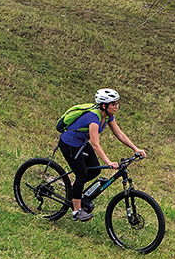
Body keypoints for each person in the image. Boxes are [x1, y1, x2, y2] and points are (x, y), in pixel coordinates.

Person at [57, 88, 146, 220]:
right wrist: (108, 162)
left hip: (81, 142)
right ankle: (76, 211)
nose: (116, 107)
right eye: (113, 104)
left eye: (117, 104)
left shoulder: (108, 116)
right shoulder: (93, 119)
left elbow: (119, 133)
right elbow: (95, 144)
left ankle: (73, 190)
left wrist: (135, 148)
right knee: (82, 175)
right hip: (70, 144)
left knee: (94, 170)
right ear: (104, 106)